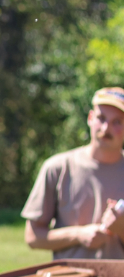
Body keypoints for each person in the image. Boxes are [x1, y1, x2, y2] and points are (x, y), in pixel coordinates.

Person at [23, 87, 124, 259]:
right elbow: (32, 237)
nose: (106, 128)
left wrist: (121, 229)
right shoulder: (57, 168)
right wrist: (78, 235)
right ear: (90, 118)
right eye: (101, 118)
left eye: (117, 122)